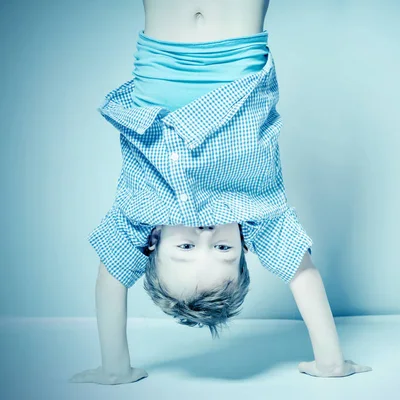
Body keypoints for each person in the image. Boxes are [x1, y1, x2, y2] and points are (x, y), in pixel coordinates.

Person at [70, 0, 372, 384]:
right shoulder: (259, 214)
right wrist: (331, 362)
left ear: (153, 242)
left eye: (185, 249)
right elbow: (303, 275)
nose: (206, 236)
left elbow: (111, 275)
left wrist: (115, 367)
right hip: (238, 51)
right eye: (222, 250)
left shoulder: (139, 213)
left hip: (162, 51)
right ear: (245, 245)